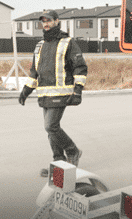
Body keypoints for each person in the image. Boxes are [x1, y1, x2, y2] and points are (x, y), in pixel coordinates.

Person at [19, 10, 87, 176]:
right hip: (44, 94)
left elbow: (79, 67)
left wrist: (78, 90)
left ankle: (73, 151)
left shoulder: (68, 42)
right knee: (50, 130)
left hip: (61, 93)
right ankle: (58, 161)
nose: (46, 24)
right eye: (43, 21)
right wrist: (26, 90)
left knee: (51, 126)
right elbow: (35, 71)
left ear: (57, 21)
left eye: (49, 20)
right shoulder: (40, 45)